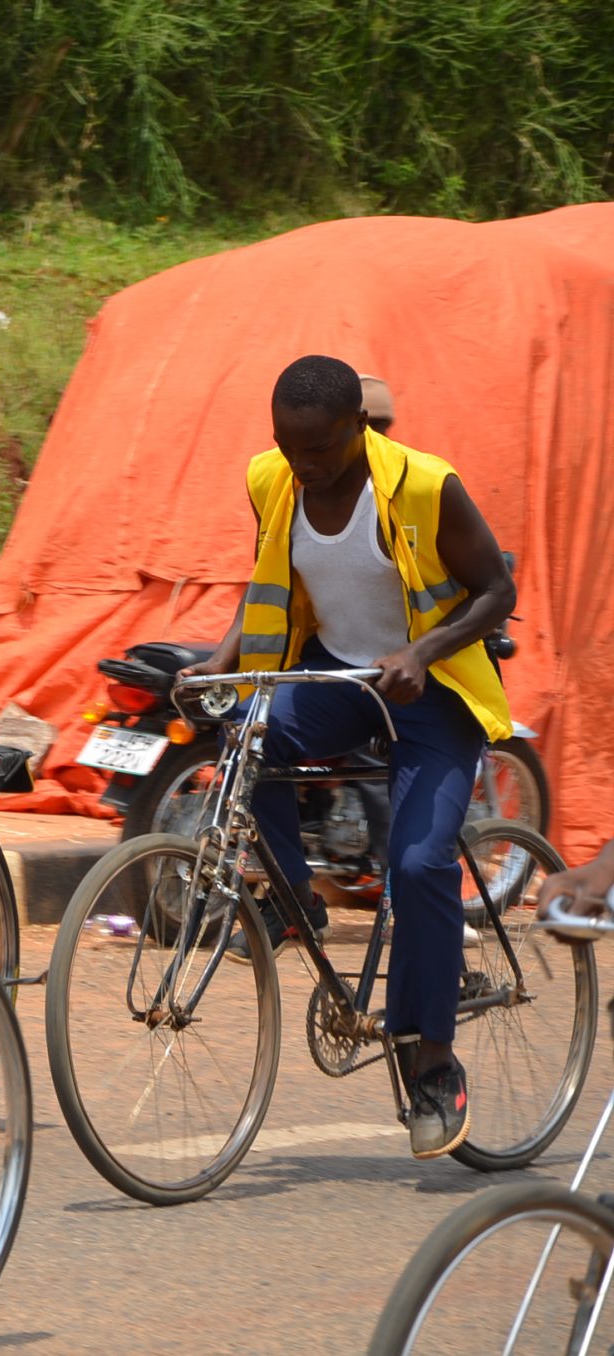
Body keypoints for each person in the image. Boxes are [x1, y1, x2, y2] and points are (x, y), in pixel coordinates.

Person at [183, 355, 516, 1160]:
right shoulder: (270, 480)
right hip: (339, 677)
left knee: (419, 863)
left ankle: (433, 1062)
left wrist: (422, 651)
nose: (303, 465)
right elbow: (268, 583)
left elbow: (496, 591)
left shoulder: (426, 487)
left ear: (358, 427)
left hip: (432, 689)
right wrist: (219, 663)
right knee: (247, 735)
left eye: (320, 449)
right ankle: (297, 902)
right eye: (288, 447)